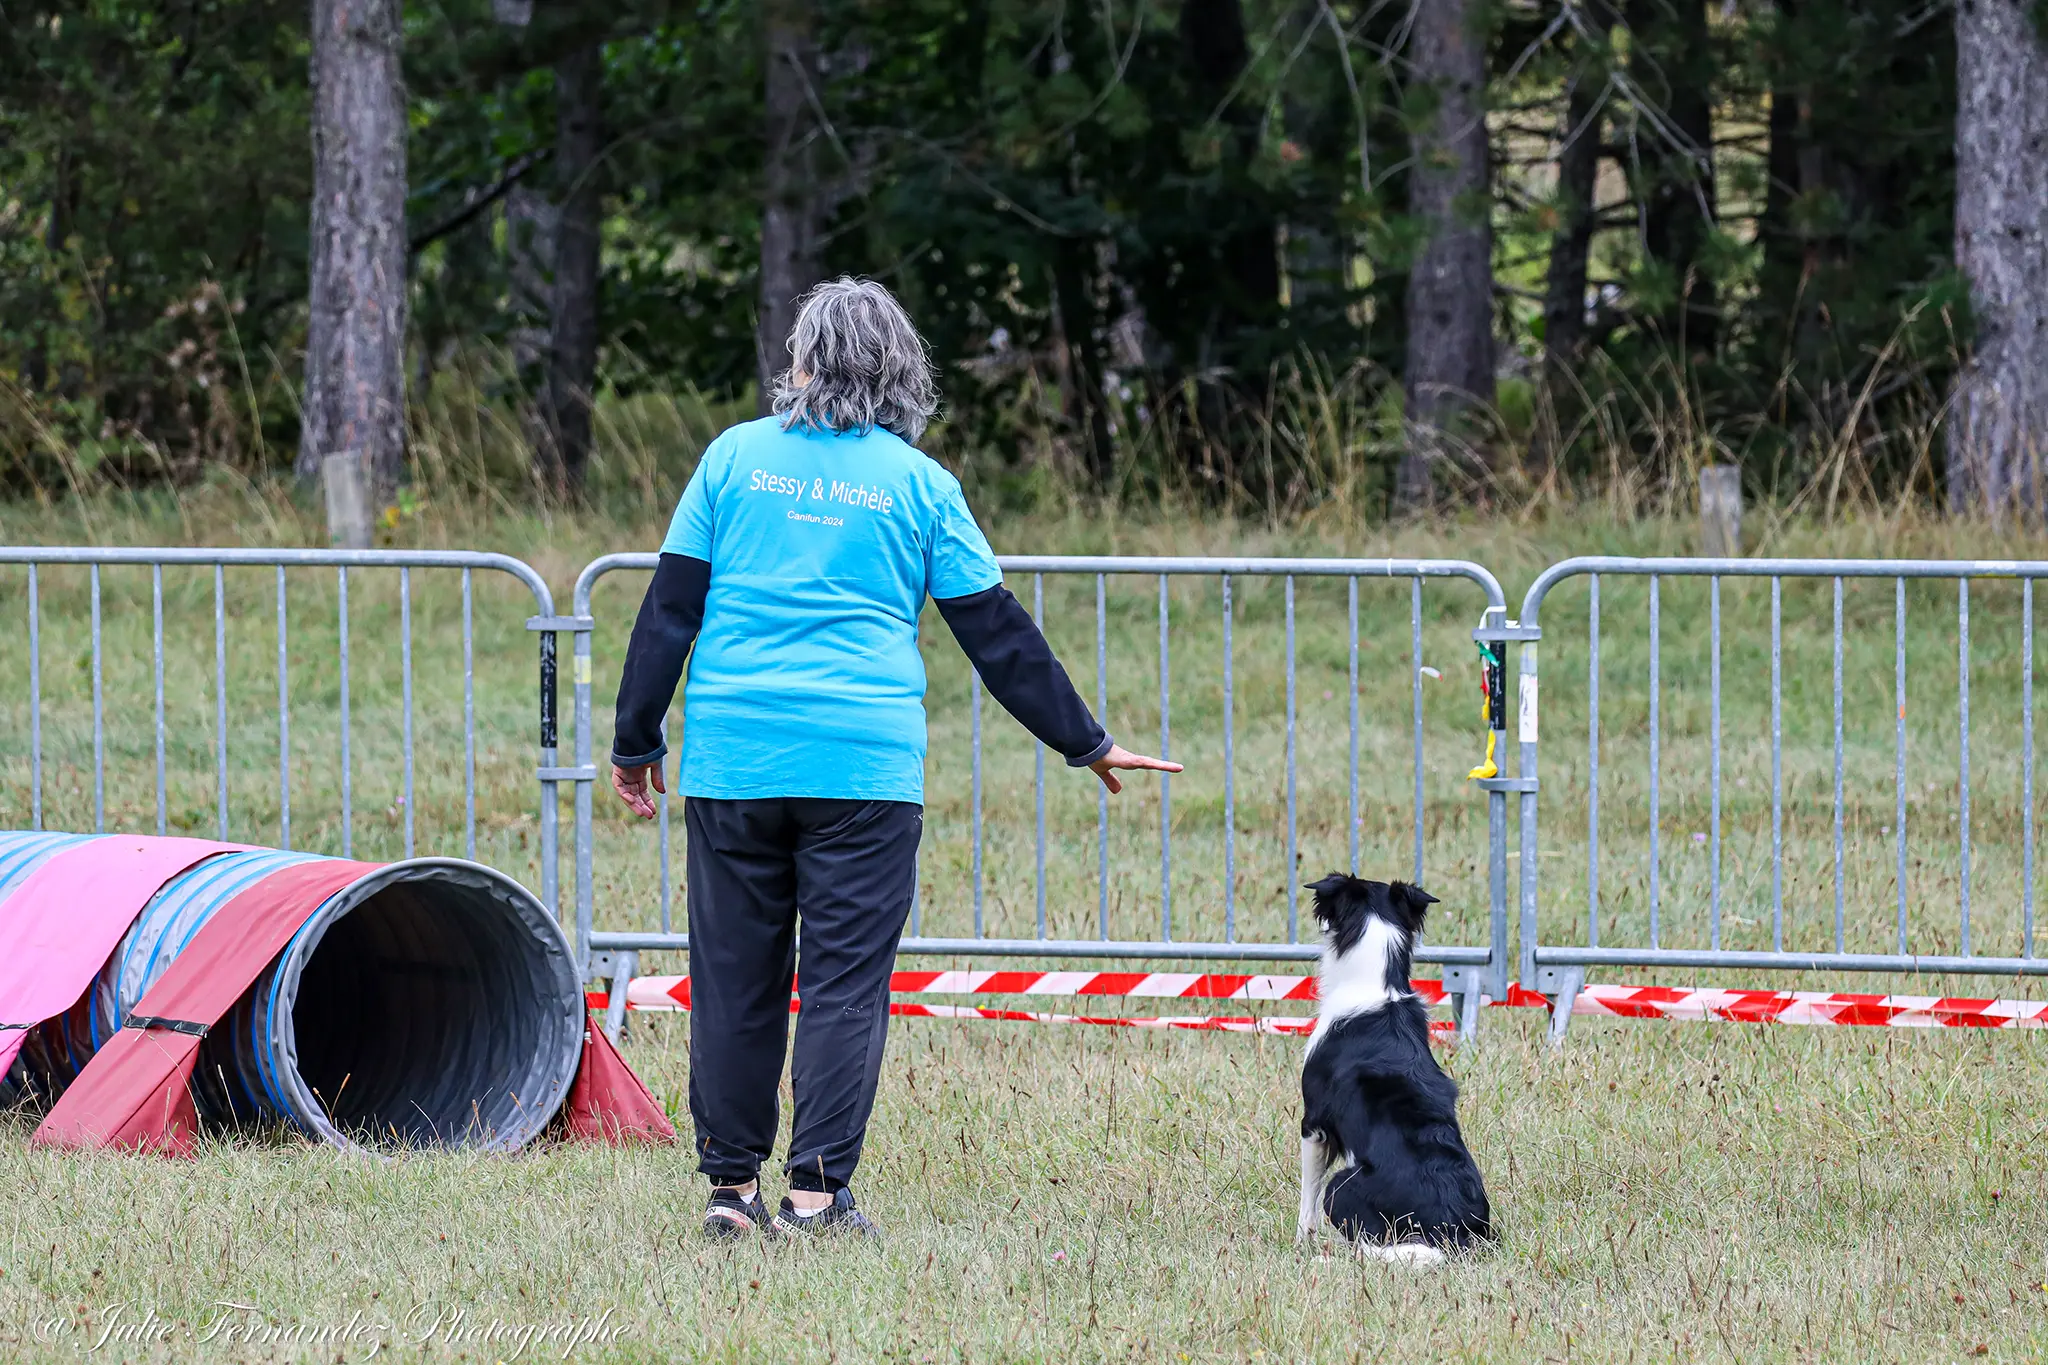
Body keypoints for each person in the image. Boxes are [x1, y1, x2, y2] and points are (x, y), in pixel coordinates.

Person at [608, 277, 1179, 1241]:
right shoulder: (921, 484)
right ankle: (818, 1196)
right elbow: (994, 632)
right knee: (841, 985)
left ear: (800, 363)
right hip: (864, 772)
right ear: (901, 371)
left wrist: (635, 741)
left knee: (736, 976)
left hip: (737, 760)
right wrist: (1084, 740)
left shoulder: (732, 459)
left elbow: (670, 609)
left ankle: (731, 1191)